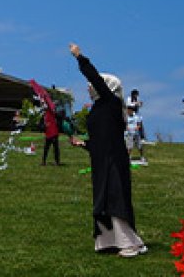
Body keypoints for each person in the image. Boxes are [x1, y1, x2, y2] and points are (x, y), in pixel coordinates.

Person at [68, 43, 146, 258]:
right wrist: (83, 144)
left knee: (114, 197)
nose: (88, 88)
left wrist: (80, 57)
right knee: (103, 199)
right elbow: (100, 138)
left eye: (91, 85)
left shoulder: (111, 101)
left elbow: (96, 80)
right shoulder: (98, 107)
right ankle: (108, 241)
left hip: (113, 159)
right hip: (101, 159)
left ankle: (130, 244)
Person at [41, 98, 61, 167]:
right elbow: (44, 123)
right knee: (46, 148)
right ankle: (43, 162)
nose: (43, 107)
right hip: (48, 133)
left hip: (54, 133)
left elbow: (53, 104)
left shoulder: (51, 110)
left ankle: (57, 162)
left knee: (55, 148)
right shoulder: (45, 114)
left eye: (44, 106)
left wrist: (47, 100)